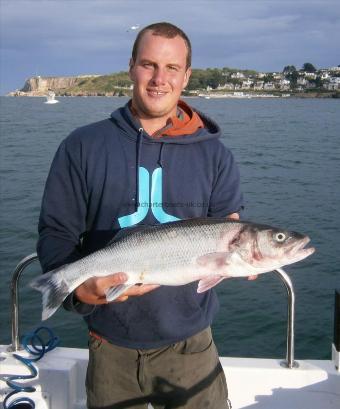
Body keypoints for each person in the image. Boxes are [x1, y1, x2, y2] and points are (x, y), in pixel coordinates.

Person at [37, 22, 249, 409]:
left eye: (171, 68)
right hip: (109, 347)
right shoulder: (81, 146)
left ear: (186, 75)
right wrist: (78, 292)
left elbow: (228, 233)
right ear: (131, 66)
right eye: (149, 64)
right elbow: (55, 232)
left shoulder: (217, 156)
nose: (159, 79)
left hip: (192, 347)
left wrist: (246, 258)